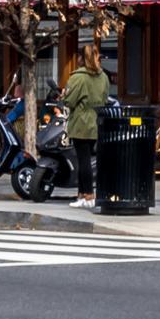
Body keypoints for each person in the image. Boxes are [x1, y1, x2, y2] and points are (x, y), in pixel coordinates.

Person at [61, 45, 110, 210]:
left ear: (82, 58)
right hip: (96, 121)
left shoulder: (78, 77)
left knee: (83, 161)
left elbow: (69, 101)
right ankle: (82, 195)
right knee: (87, 159)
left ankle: (88, 194)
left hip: (81, 122)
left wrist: (63, 96)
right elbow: (105, 98)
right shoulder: (103, 76)